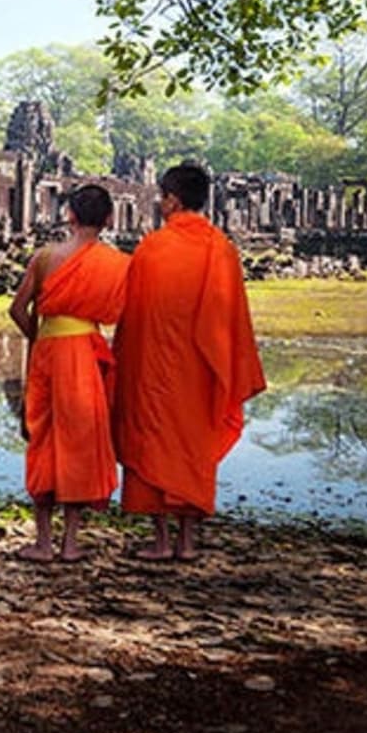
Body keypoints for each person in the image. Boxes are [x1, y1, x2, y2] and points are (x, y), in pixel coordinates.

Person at [111, 162, 267, 561]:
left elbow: (135, 314)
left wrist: (123, 361)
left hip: (154, 366)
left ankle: (161, 541)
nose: (161, 203)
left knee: (151, 442)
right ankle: (187, 541)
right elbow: (231, 318)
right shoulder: (222, 249)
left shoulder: (153, 247)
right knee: (192, 448)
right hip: (201, 371)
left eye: (162, 196)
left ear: (173, 200)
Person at [7, 184, 130, 562]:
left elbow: (17, 309)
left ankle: (43, 543)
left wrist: (42, 336)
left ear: (70, 216)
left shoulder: (45, 257)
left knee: (43, 437)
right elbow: (122, 313)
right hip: (86, 353)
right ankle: (70, 543)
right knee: (78, 441)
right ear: (110, 219)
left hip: (49, 352)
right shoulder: (118, 263)